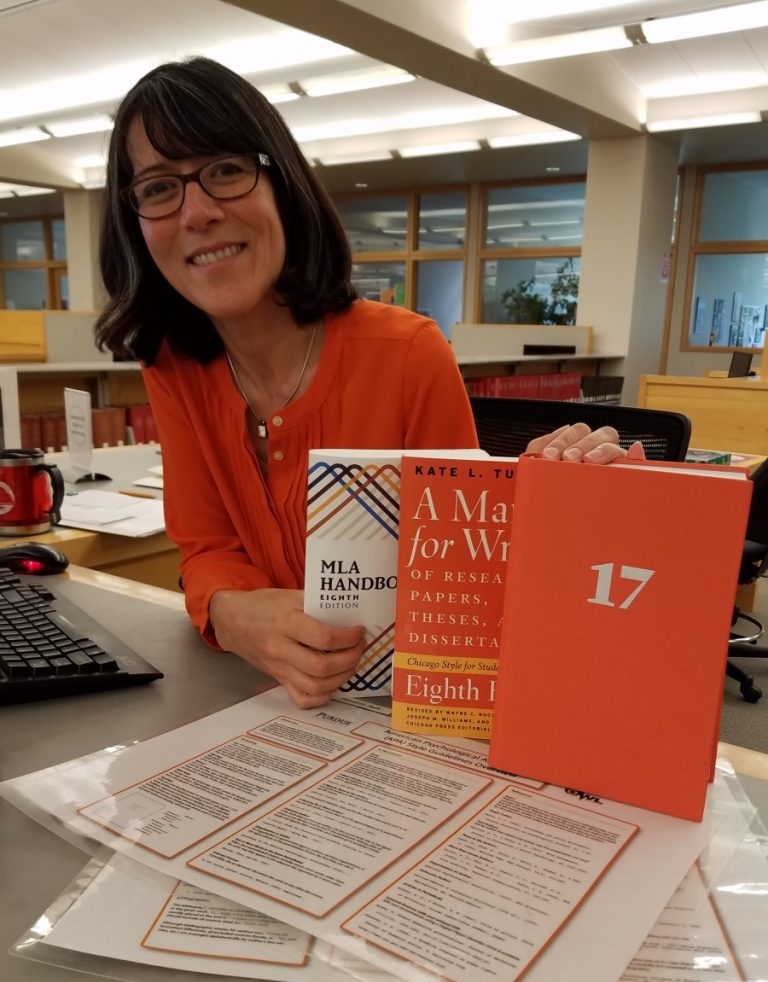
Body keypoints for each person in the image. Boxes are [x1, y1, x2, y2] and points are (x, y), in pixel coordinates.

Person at [95, 56, 641, 710]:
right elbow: (206, 546)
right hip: (256, 703)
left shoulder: (409, 354)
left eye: (225, 170)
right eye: (158, 187)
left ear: (281, 183)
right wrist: (238, 616)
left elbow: (460, 577)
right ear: (134, 223)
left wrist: (558, 510)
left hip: (401, 712)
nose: (198, 212)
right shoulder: (173, 366)